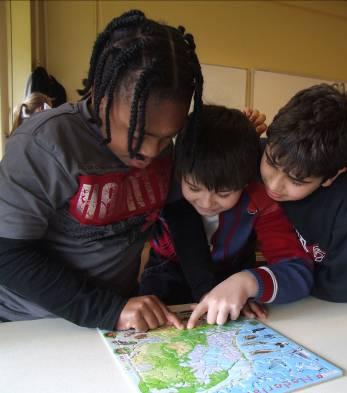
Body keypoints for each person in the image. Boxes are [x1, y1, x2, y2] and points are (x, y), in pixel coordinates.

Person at [0, 9, 204, 331]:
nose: (152, 152)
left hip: (111, 318)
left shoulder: (165, 149)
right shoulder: (44, 143)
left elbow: (180, 214)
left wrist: (210, 290)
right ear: (100, 93)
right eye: (139, 133)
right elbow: (8, 255)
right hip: (30, 322)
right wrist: (107, 309)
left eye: (167, 138)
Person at [140, 105, 314, 328]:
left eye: (224, 193)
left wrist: (248, 283)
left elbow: (298, 271)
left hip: (230, 276)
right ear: (178, 172)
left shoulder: (259, 199)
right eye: (194, 188)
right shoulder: (160, 187)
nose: (206, 202)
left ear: (245, 182)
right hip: (165, 275)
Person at [259, 84, 347, 302]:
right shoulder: (280, 149)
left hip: (326, 310)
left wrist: (276, 283)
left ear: (331, 176)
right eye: (270, 162)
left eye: (296, 180)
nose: (274, 186)